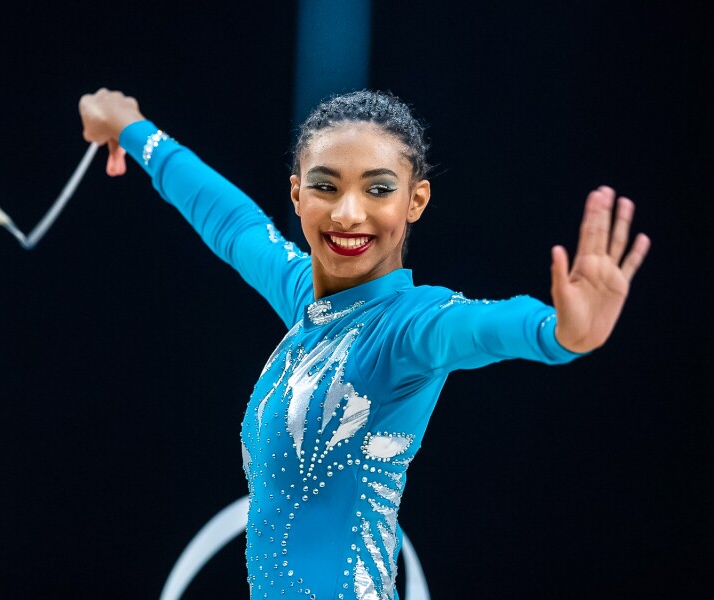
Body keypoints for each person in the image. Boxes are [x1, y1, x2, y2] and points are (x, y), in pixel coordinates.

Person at [78, 87, 649, 600]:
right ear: (298, 195)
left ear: (415, 201)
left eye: (378, 189)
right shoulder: (308, 301)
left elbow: (478, 326)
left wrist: (560, 334)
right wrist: (132, 127)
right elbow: (230, 223)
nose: (348, 213)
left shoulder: (406, 327)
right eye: (326, 186)